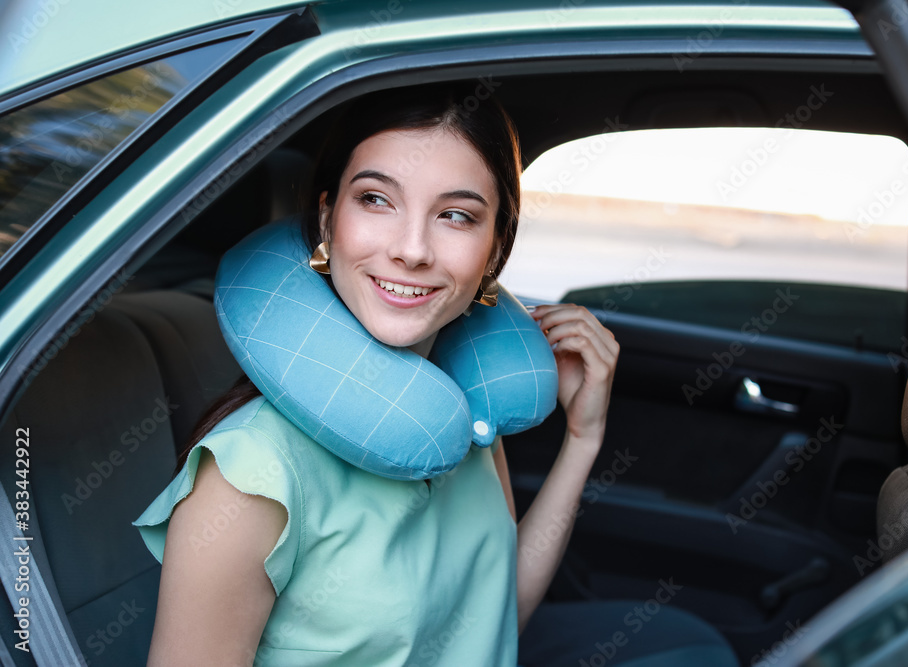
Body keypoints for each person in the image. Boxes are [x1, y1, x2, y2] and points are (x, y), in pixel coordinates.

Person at [134, 82, 620, 666]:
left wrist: (582, 439)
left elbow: (490, 625)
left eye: (456, 216)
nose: (412, 250)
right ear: (325, 219)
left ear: (495, 252)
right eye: (375, 199)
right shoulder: (251, 473)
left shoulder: (463, 413)